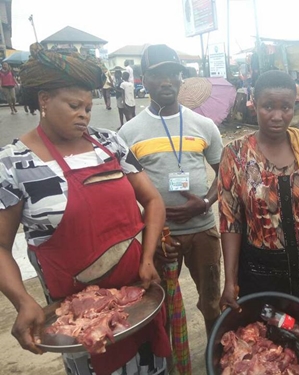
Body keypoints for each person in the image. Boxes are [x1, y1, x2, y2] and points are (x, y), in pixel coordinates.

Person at [0, 43, 170, 375]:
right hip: (78, 318)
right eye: (74, 105)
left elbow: (152, 200)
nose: (84, 115)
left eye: (89, 107)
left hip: (136, 302)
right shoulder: (13, 164)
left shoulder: (109, 142)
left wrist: (148, 258)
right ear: (44, 100)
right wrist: (22, 301)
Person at [118, 44, 224, 337]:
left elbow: (226, 174)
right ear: (144, 80)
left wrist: (205, 202)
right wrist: (149, 237)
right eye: (157, 75)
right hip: (161, 238)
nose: (166, 81)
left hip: (203, 230)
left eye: (173, 74)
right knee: (161, 304)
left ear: (182, 78)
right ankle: (169, 363)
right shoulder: (128, 133)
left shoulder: (204, 125)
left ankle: (216, 356)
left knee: (212, 302)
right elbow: (125, 191)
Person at [218, 70, 299, 314]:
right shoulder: (235, 153)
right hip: (254, 271)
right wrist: (230, 281)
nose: (278, 116)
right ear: (254, 105)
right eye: (268, 106)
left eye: (286, 107)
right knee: (261, 341)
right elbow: (230, 221)